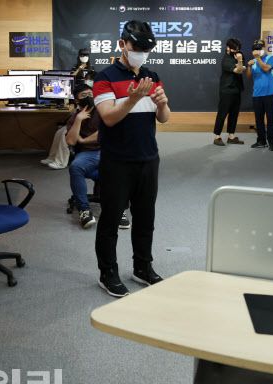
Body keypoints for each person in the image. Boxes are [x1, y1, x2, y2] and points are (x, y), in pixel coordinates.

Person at [93, 20, 170, 297]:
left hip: (148, 158)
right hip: (117, 161)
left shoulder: (152, 75)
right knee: (111, 220)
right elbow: (109, 118)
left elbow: (164, 118)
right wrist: (132, 99)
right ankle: (107, 273)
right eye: (136, 48)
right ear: (122, 44)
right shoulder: (104, 78)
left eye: (146, 49)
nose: (141, 53)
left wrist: (162, 104)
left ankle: (142, 267)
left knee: (145, 218)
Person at [66, 83, 131, 229]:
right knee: (76, 167)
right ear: (76, 100)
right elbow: (70, 141)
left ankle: (118, 210)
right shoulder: (74, 117)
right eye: (84, 95)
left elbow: (104, 132)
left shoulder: (103, 112)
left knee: (119, 168)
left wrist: (83, 140)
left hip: (107, 151)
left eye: (91, 94)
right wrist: (78, 120)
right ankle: (84, 210)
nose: (89, 97)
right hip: (87, 154)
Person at [246, 38, 273, 151]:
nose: (257, 50)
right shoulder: (253, 61)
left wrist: (258, 58)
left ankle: (272, 143)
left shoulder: (271, 58)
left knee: (271, 119)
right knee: (259, 120)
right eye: (255, 49)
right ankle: (261, 141)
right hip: (257, 94)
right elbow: (249, 76)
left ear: (264, 48)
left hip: (270, 93)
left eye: (259, 48)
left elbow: (265, 69)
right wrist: (249, 66)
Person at [213, 38, 246, 146]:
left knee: (234, 114)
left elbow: (242, 69)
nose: (237, 51)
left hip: (237, 89)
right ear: (228, 48)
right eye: (234, 49)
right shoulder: (226, 60)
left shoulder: (239, 55)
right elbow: (238, 70)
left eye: (238, 49)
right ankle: (217, 136)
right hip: (227, 90)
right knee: (222, 113)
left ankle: (231, 136)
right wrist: (240, 62)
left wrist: (240, 63)